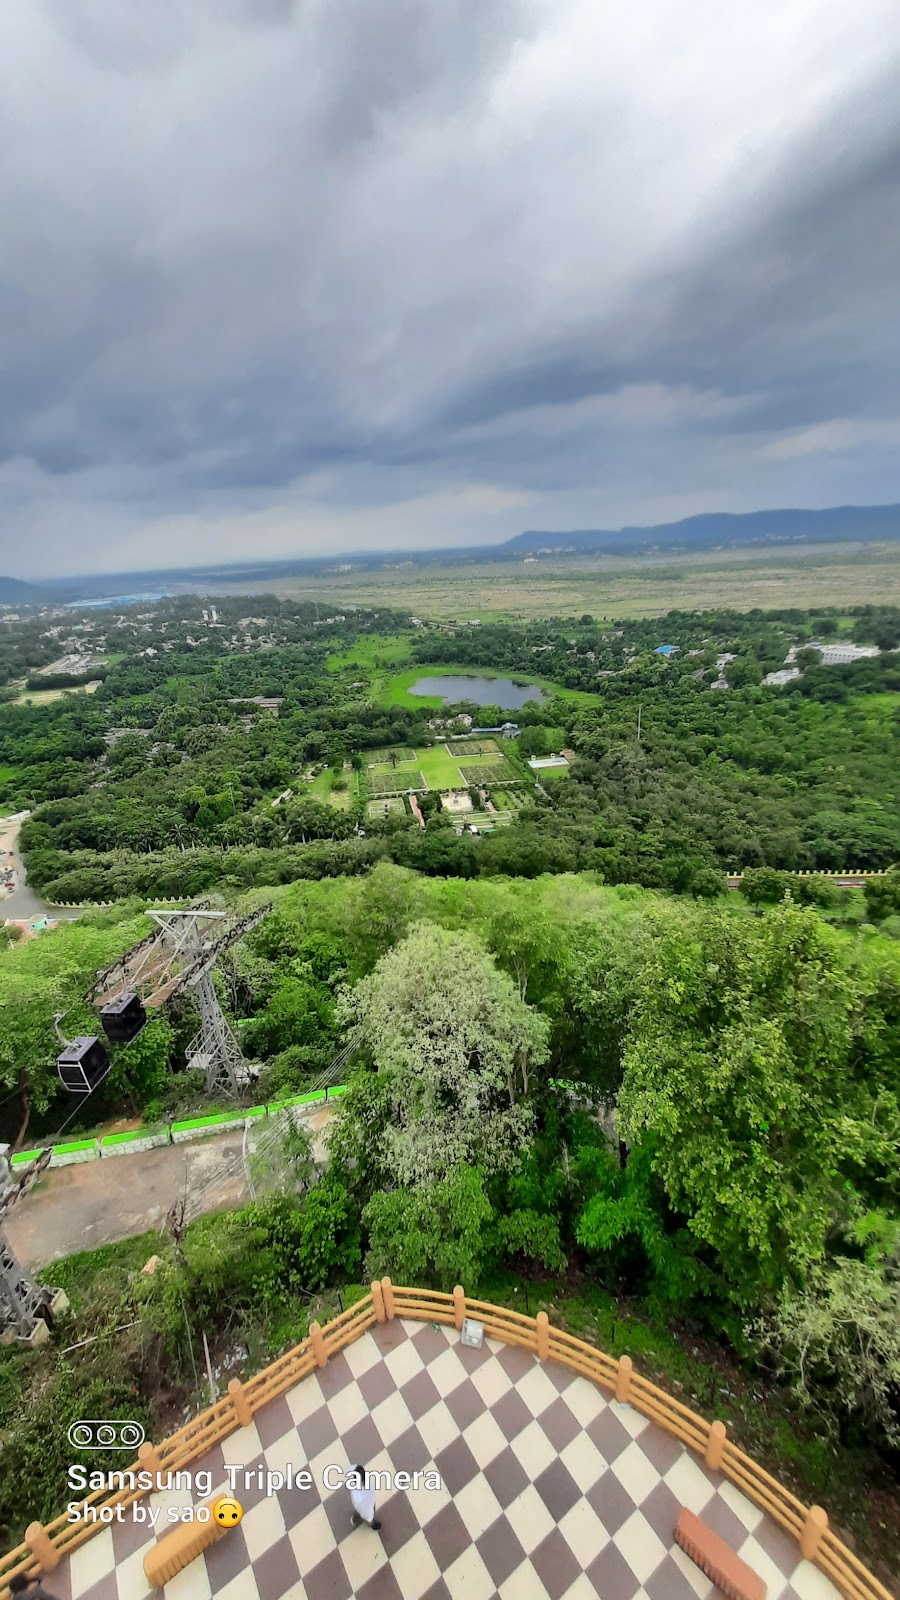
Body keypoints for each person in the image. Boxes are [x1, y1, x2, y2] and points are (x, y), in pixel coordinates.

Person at [347, 1463, 381, 1532]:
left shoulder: (352, 1472)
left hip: (358, 1504)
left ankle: (354, 1520)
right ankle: (370, 1524)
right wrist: (370, 1518)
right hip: (365, 1507)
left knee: (358, 1512)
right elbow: (366, 1511)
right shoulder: (362, 1496)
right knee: (368, 1518)